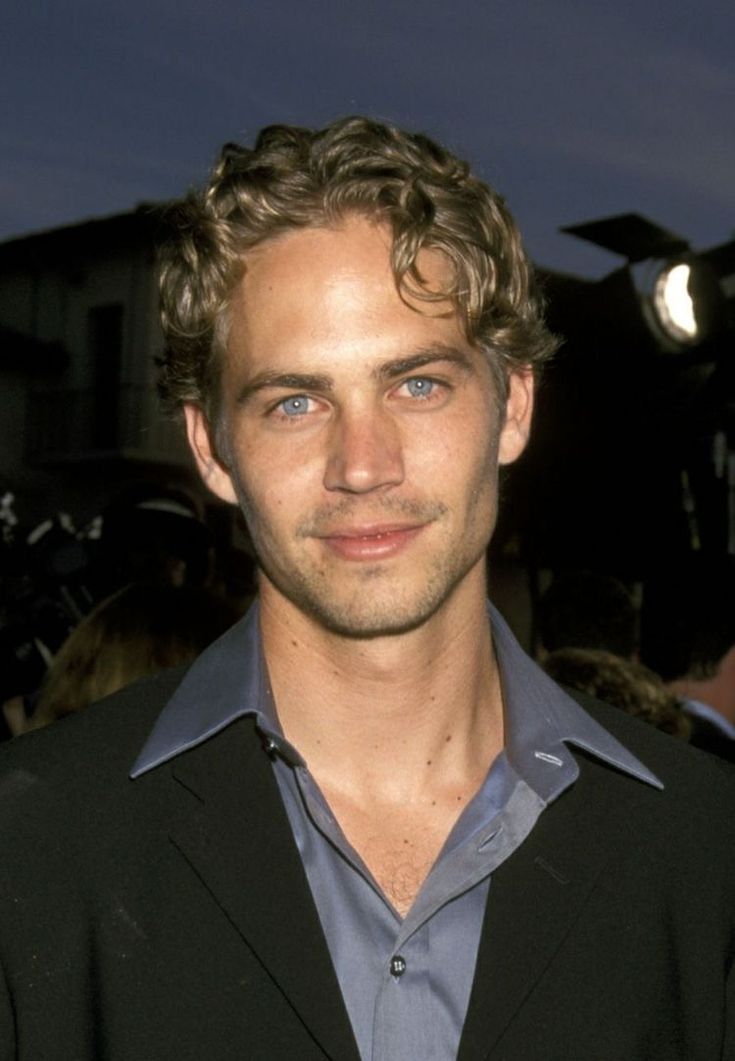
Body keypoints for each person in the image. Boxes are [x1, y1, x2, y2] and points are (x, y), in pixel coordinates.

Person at [1, 117, 734, 1061]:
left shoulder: (704, 851)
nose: (362, 464)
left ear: (512, 404)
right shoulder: (34, 843)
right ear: (210, 447)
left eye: (417, 385)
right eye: (295, 402)